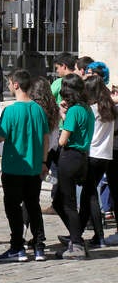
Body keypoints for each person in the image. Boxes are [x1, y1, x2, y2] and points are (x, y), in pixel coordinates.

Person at [0, 69, 49, 262]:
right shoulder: (39, 109)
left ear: (16, 85)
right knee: (33, 205)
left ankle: (17, 246)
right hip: (34, 166)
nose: (9, 86)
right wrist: (44, 161)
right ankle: (38, 246)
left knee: (13, 207)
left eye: (10, 83)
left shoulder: (11, 110)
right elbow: (45, 138)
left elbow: (0, 136)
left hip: (14, 167)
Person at [52, 74, 95, 259]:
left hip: (69, 157)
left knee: (68, 204)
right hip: (82, 157)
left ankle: (76, 243)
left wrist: (64, 118)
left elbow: (62, 140)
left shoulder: (75, 111)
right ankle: (75, 237)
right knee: (59, 202)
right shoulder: (87, 109)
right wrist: (64, 114)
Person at [78, 75, 115, 249]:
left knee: (90, 195)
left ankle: (98, 235)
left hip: (92, 155)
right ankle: (77, 233)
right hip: (105, 156)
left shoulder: (92, 110)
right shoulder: (110, 108)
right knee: (88, 195)